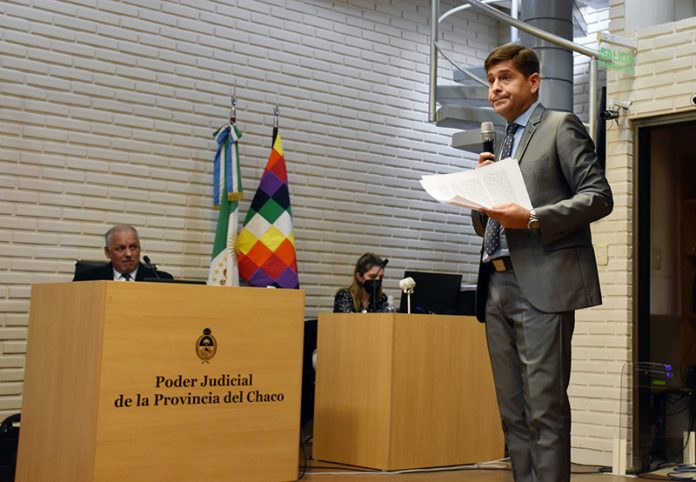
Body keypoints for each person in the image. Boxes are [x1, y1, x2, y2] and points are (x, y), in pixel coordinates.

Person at [472, 44, 613, 482]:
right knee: (511, 413)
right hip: (495, 286)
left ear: (533, 82)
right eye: (491, 80)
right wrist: (479, 193)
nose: (495, 88)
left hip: (542, 285)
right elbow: (487, 227)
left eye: (506, 78)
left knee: (543, 410)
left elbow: (599, 197)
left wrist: (533, 217)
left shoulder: (559, 126)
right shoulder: (502, 144)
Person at [73, 224, 173, 281]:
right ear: (107, 252)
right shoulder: (87, 279)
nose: (128, 254)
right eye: (121, 248)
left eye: (133, 247)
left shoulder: (161, 280)